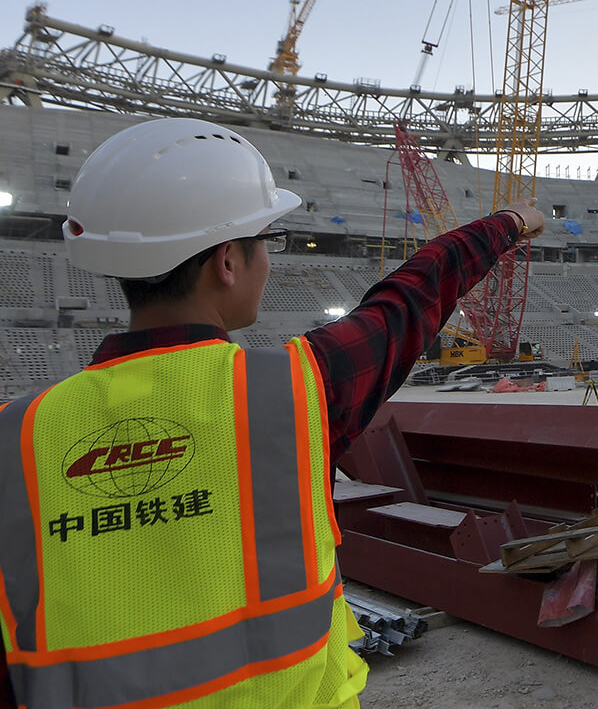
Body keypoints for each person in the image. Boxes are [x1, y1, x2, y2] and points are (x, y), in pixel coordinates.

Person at [0, 118, 544, 709]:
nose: (269, 259)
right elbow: (414, 294)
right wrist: (509, 224)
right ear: (227, 262)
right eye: (268, 240)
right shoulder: (294, 390)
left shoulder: (15, 436)